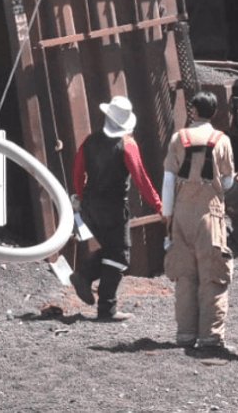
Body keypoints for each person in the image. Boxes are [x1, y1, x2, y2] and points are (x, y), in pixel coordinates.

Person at [70, 96, 163, 322]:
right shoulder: (127, 146)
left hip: (90, 207)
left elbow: (77, 172)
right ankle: (104, 305)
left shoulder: (89, 141)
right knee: (120, 255)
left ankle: (85, 278)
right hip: (113, 209)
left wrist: (81, 197)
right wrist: (159, 205)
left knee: (113, 250)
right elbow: (141, 179)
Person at [162, 91, 236, 354]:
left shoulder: (178, 138)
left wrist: (168, 216)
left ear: (193, 111)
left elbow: (168, 180)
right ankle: (210, 337)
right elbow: (228, 181)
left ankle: (185, 333)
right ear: (214, 112)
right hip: (210, 214)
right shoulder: (222, 140)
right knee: (212, 275)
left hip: (181, 213)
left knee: (184, 275)